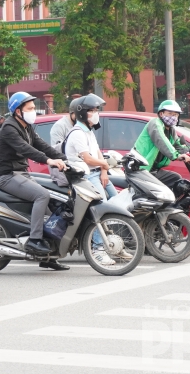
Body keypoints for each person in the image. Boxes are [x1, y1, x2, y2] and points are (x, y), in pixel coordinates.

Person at [0, 92, 67, 261]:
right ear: (18, 111)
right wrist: (49, 161)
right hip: (7, 176)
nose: (34, 111)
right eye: (30, 108)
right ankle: (34, 240)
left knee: (51, 205)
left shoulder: (26, 127)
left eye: (34, 108)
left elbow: (42, 145)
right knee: (42, 195)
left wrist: (64, 158)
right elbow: (25, 149)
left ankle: (48, 258)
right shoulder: (9, 127)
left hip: (22, 173)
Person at [63, 94, 131, 266]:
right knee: (102, 209)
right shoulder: (77, 133)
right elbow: (87, 159)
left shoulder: (88, 131)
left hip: (95, 173)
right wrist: (105, 164)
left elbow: (97, 154)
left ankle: (114, 245)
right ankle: (98, 248)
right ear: (81, 113)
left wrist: (104, 170)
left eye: (96, 110)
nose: (95, 113)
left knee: (116, 204)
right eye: (91, 110)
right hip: (84, 176)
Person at [132, 100, 190, 190]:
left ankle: (170, 204)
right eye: (170, 113)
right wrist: (176, 155)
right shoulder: (155, 123)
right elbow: (161, 140)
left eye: (176, 114)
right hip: (140, 168)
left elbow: (179, 145)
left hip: (153, 169)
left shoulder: (171, 130)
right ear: (161, 114)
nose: (173, 116)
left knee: (175, 179)